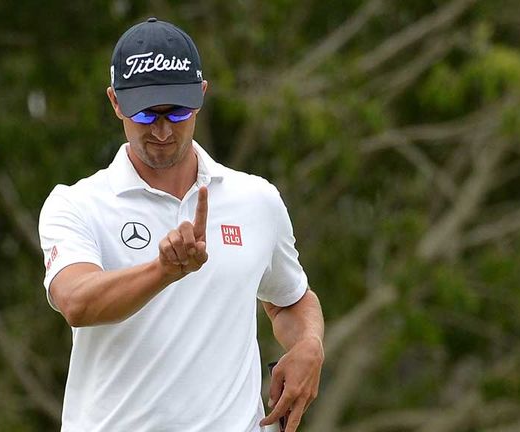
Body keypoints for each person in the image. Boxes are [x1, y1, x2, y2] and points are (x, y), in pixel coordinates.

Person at [39, 17, 324, 432]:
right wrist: (163, 271)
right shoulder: (77, 203)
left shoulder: (256, 199)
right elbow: (77, 303)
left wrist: (309, 344)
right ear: (115, 102)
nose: (160, 129)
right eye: (144, 112)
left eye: (176, 110)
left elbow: (291, 300)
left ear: (201, 96)